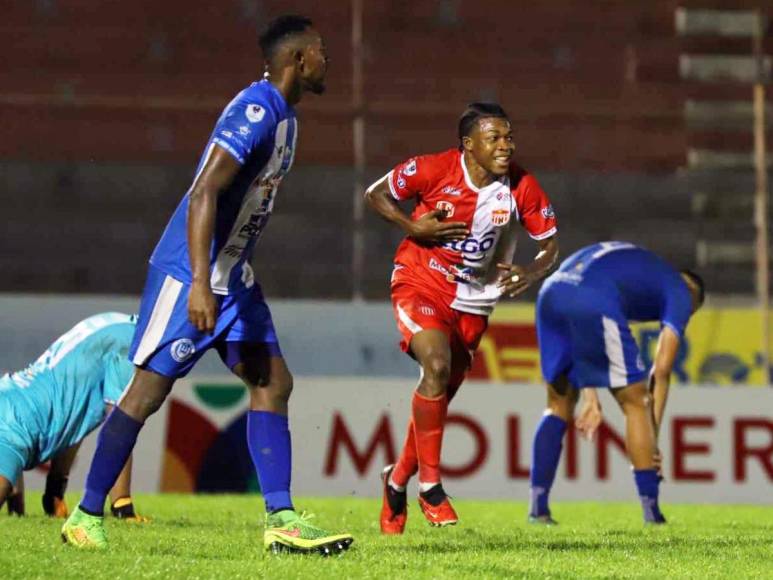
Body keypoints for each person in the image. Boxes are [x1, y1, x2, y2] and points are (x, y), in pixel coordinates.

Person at [62, 15, 353, 555]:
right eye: (321, 53)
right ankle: (85, 514)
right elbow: (203, 194)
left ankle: (281, 519)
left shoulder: (287, 117)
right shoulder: (256, 110)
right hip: (189, 277)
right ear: (297, 59)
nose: (327, 61)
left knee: (273, 383)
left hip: (234, 279)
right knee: (146, 394)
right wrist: (199, 283)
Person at [365, 102, 559, 534]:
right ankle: (430, 486)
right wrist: (411, 227)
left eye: (509, 137)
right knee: (435, 364)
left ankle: (396, 481)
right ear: (468, 146)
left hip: (474, 301)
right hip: (420, 282)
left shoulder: (520, 186)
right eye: (495, 138)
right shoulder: (432, 170)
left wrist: (531, 270)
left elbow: (550, 244)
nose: (505, 146)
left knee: (439, 395)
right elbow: (375, 194)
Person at [528, 241, 705, 525]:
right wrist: (653, 442)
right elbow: (661, 371)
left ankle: (538, 508)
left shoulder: (643, 270)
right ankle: (652, 514)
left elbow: (586, 329)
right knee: (636, 401)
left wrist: (591, 398)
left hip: (552, 292)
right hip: (591, 297)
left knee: (559, 402)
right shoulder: (682, 292)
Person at [0, 312, 145, 521]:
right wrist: (123, 505)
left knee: (14, 508)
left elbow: (74, 420)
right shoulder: (129, 343)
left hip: (12, 402)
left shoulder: (114, 323)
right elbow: (119, 427)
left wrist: (55, 490)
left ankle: (17, 509)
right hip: (17, 423)